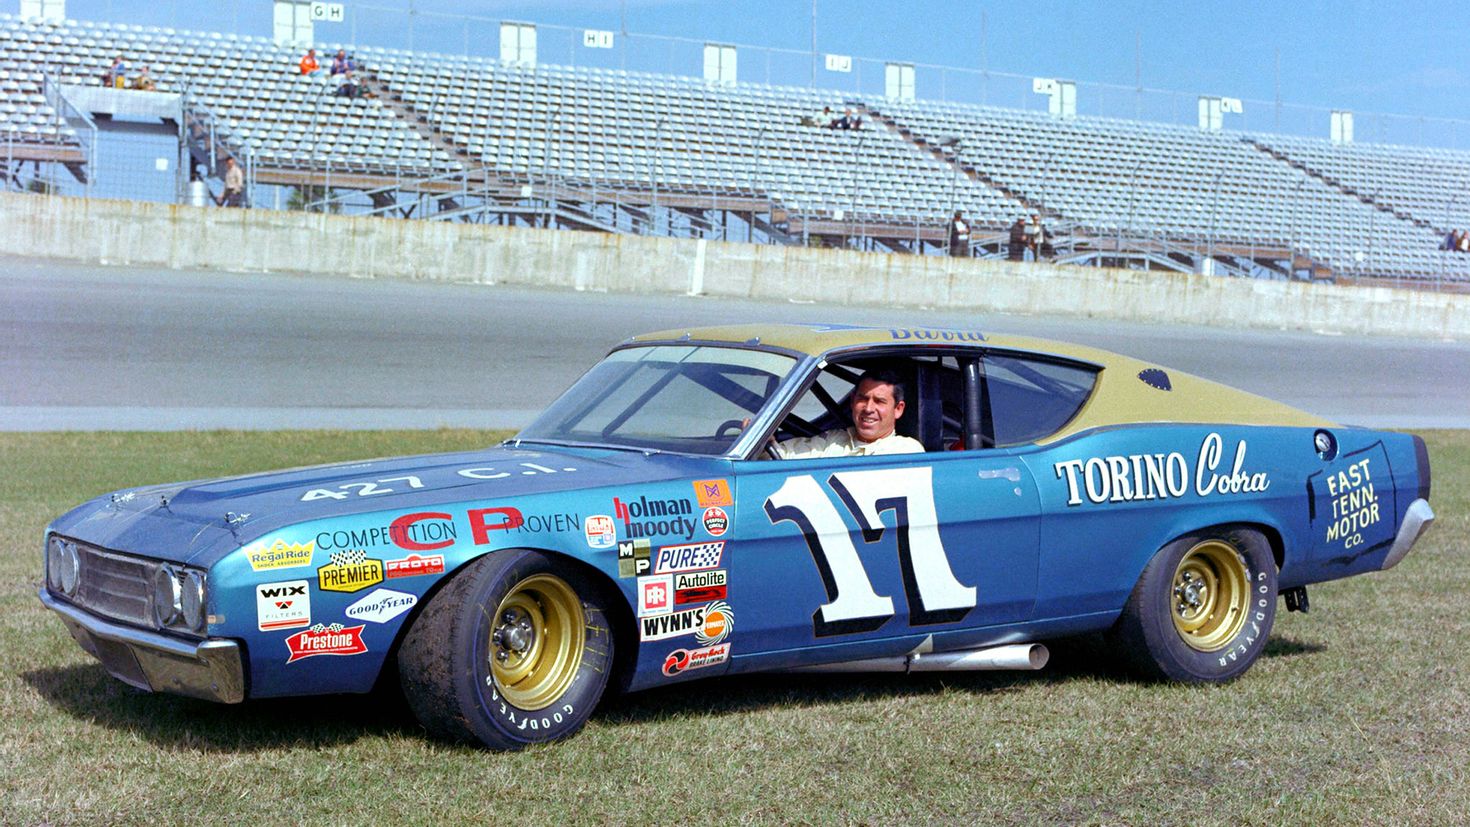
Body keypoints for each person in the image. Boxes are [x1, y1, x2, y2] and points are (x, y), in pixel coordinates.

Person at [773, 369, 925, 459]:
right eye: (863, 399)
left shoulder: (906, 450)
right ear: (852, 401)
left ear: (898, 409)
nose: (868, 408)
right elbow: (780, 455)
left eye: (879, 401)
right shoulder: (832, 440)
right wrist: (765, 441)